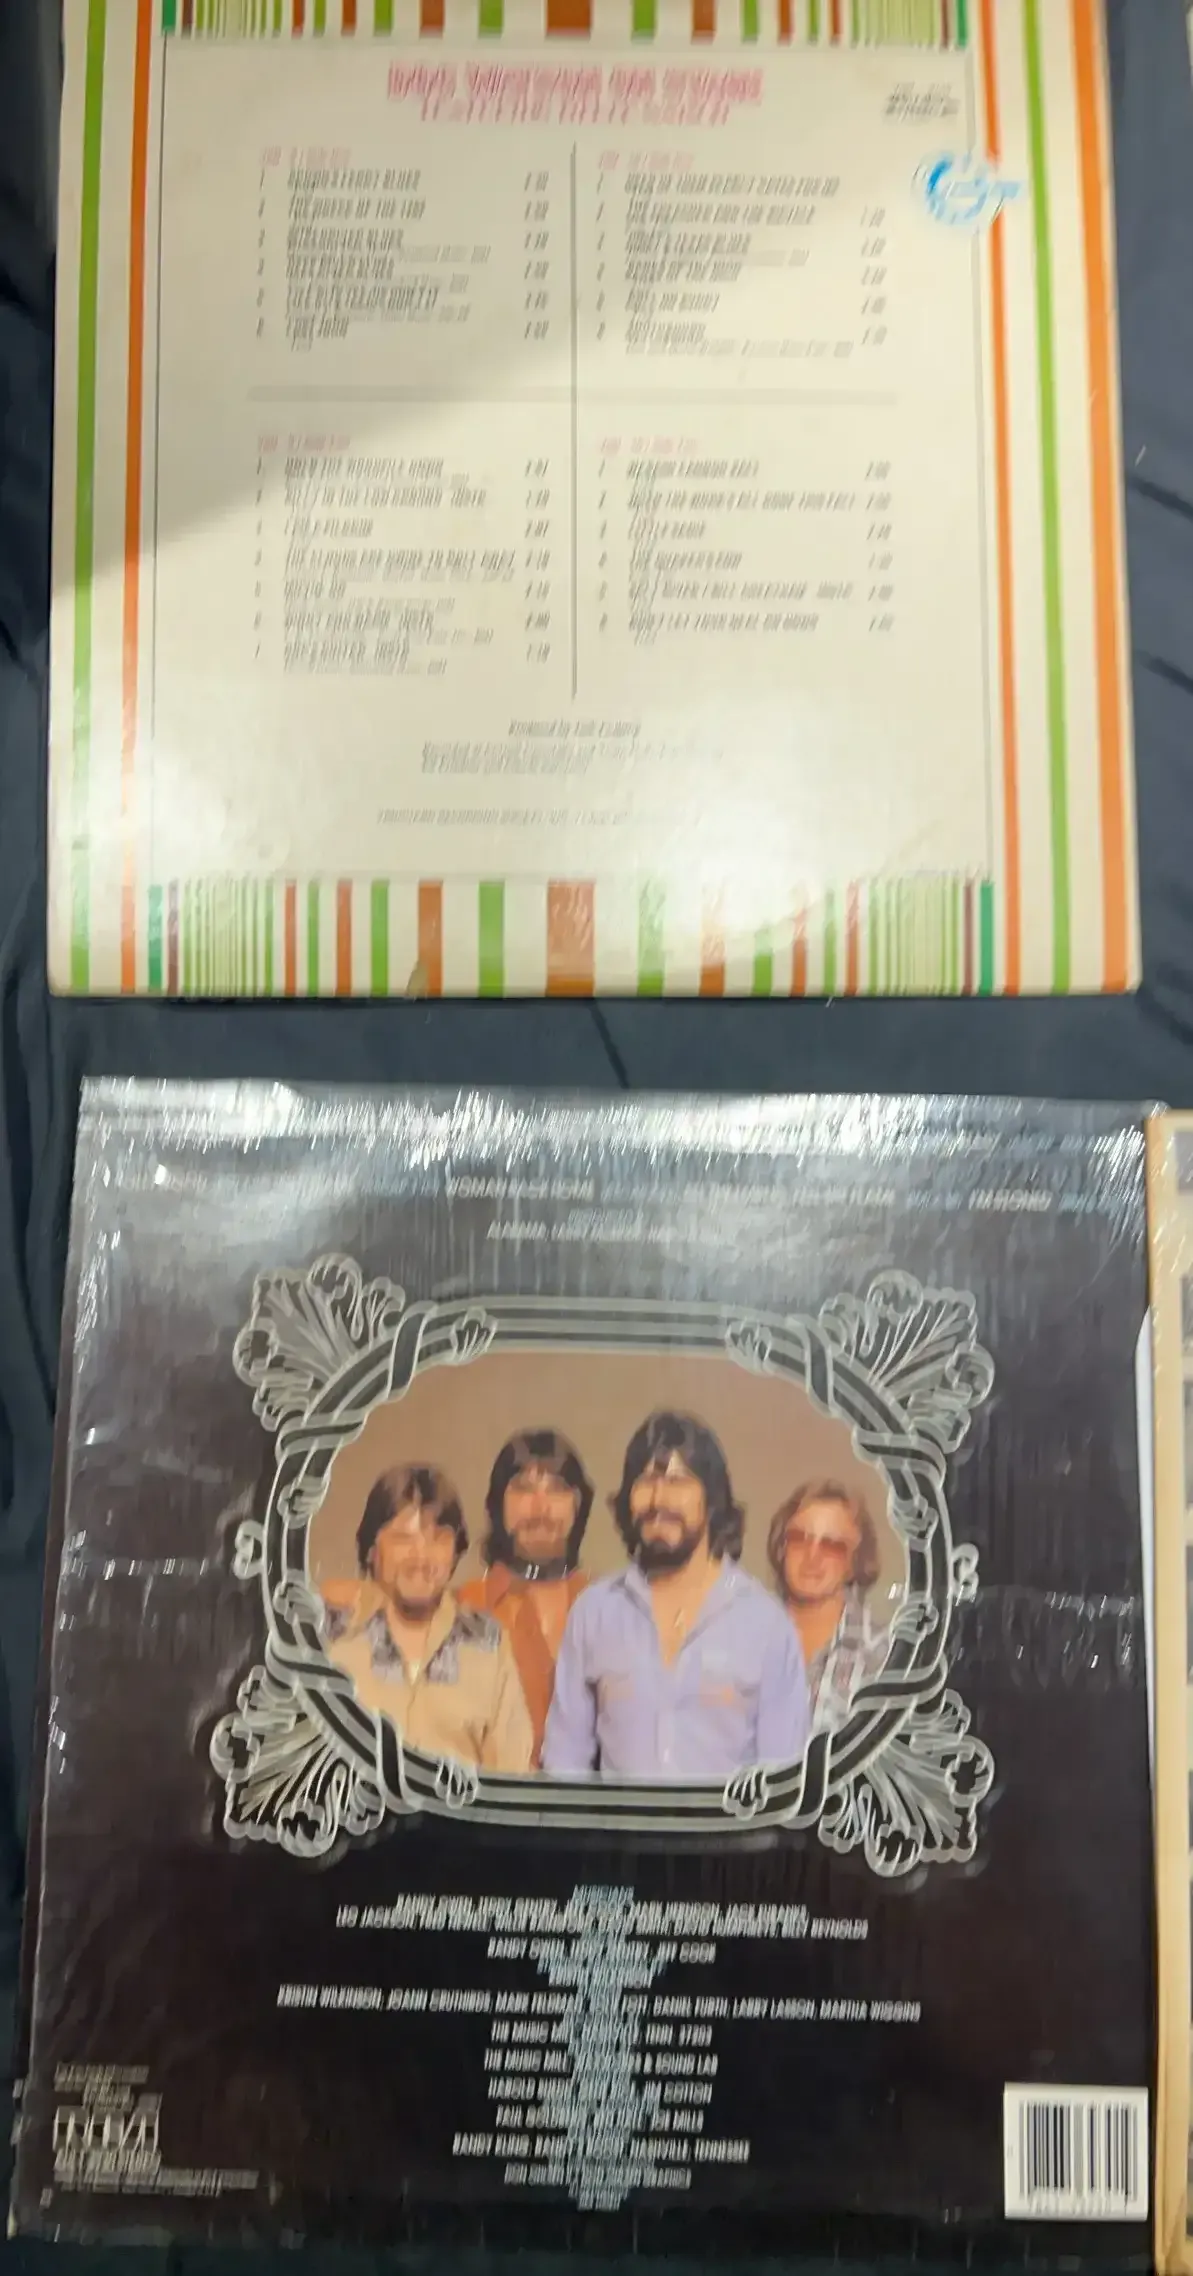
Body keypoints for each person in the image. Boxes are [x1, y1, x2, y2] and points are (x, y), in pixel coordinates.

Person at [542, 1410, 809, 1780]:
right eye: (645, 1480)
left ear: (712, 1499)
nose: (658, 1499)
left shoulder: (766, 1624)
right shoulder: (594, 1613)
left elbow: (785, 1779)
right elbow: (564, 1761)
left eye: (678, 1480)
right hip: (615, 1821)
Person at [321, 1462, 533, 1772]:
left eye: (438, 1538)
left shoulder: (488, 1644)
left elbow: (512, 1780)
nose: (421, 1557)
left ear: (455, 1551)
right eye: (402, 1538)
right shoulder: (331, 1638)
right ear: (372, 1551)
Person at [458, 1428, 593, 1764]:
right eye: (523, 1487)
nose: (540, 1507)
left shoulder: (608, 1610)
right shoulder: (461, 1609)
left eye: (557, 1489)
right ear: (498, 1504)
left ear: (578, 1506)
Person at [767, 1479, 889, 1733]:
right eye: (799, 1538)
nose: (812, 1557)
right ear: (781, 1549)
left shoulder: (887, 1655)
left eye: (832, 1545)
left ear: (855, 1562)